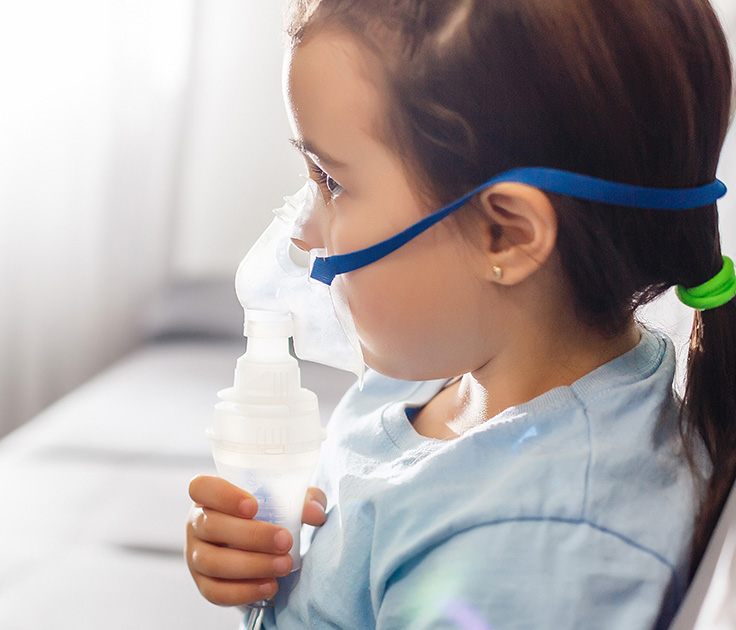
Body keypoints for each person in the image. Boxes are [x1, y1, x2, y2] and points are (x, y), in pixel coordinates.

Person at [184, 0, 736, 628]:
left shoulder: (535, 554)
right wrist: (271, 572)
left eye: (332, 182)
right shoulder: (444, 366)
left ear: (504, 234)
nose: (305, 234)